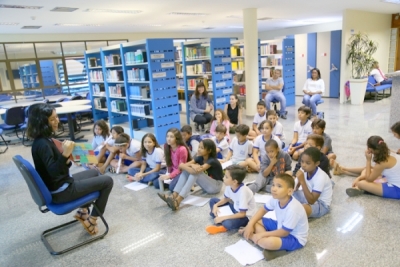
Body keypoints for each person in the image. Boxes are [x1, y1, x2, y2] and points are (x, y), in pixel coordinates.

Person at [27, 104, 113, 236]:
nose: (57, 121)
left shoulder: (43, 140)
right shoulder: (43, 145)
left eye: (56, 117)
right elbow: (54, 171)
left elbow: (55, 168)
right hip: (61, 192)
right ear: (41, 122)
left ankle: (83, 212)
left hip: (60, 183)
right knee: (107, 181)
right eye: (52, 119)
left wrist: (67, 158)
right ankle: (92, 220)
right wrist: (65, 155)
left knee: (94, 172)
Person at [240, 173, 308, 261]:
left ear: (290, 191)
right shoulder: (276, 198)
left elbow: (284, 233)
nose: (274, 189)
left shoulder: (293, 209)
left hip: (294, 237)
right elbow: (262, 210)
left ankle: (253, 237)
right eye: (273, 185)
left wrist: (260, 234)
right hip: (280, 226)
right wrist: (249, 225)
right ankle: (268, 244)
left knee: (269, 242)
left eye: (279, 186)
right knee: (256, 220)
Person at [160, 139, 224, 211]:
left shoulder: (212, 160)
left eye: (202, 148)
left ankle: (178, 201)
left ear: (209, 151)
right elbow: (181, 167)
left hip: (216, 186)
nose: (199, 149)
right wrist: (192, 165)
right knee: (186, 171)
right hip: (207, 186)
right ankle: (174, 196)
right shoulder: (200, 157)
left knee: (195, 173)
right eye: (199, 147)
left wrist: (188, 166)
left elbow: (197, 170)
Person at [206, 165, 256, 234]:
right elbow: (226, 199)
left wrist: (223, 217)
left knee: (228, 224)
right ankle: (219, 218)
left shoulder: (243, 192)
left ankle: (222, 226)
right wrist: (215, 205)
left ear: (234, 181)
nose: (223, 178)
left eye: (226, 177)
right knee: (213, 200)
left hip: (245, 216)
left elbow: (242, 214)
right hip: (235, 209)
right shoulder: (229, 185)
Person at [293, 147, 333, 218]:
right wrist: (296, 184)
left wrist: (302, 181)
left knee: (303, 209)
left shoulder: (320, 177)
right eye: (302, 161)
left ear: (317, 163)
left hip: (321, 204)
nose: (303, 165)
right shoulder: (303, 169)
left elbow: (311, 201)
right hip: (308, 196)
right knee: (286, 193)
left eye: (308, 163)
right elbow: (296, 188)